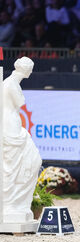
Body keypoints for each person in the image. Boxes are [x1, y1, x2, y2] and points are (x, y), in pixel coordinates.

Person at [2, 57, 42, 223]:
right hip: (11, 128)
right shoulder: (11, 84)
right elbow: (21, 102)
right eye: (30, 68)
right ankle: (12, 203)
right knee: (22, 162)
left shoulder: (9, 82)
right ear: (25, 70)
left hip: (13, 126)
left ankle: (17, 203)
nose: (31, 72)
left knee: (25, 161)